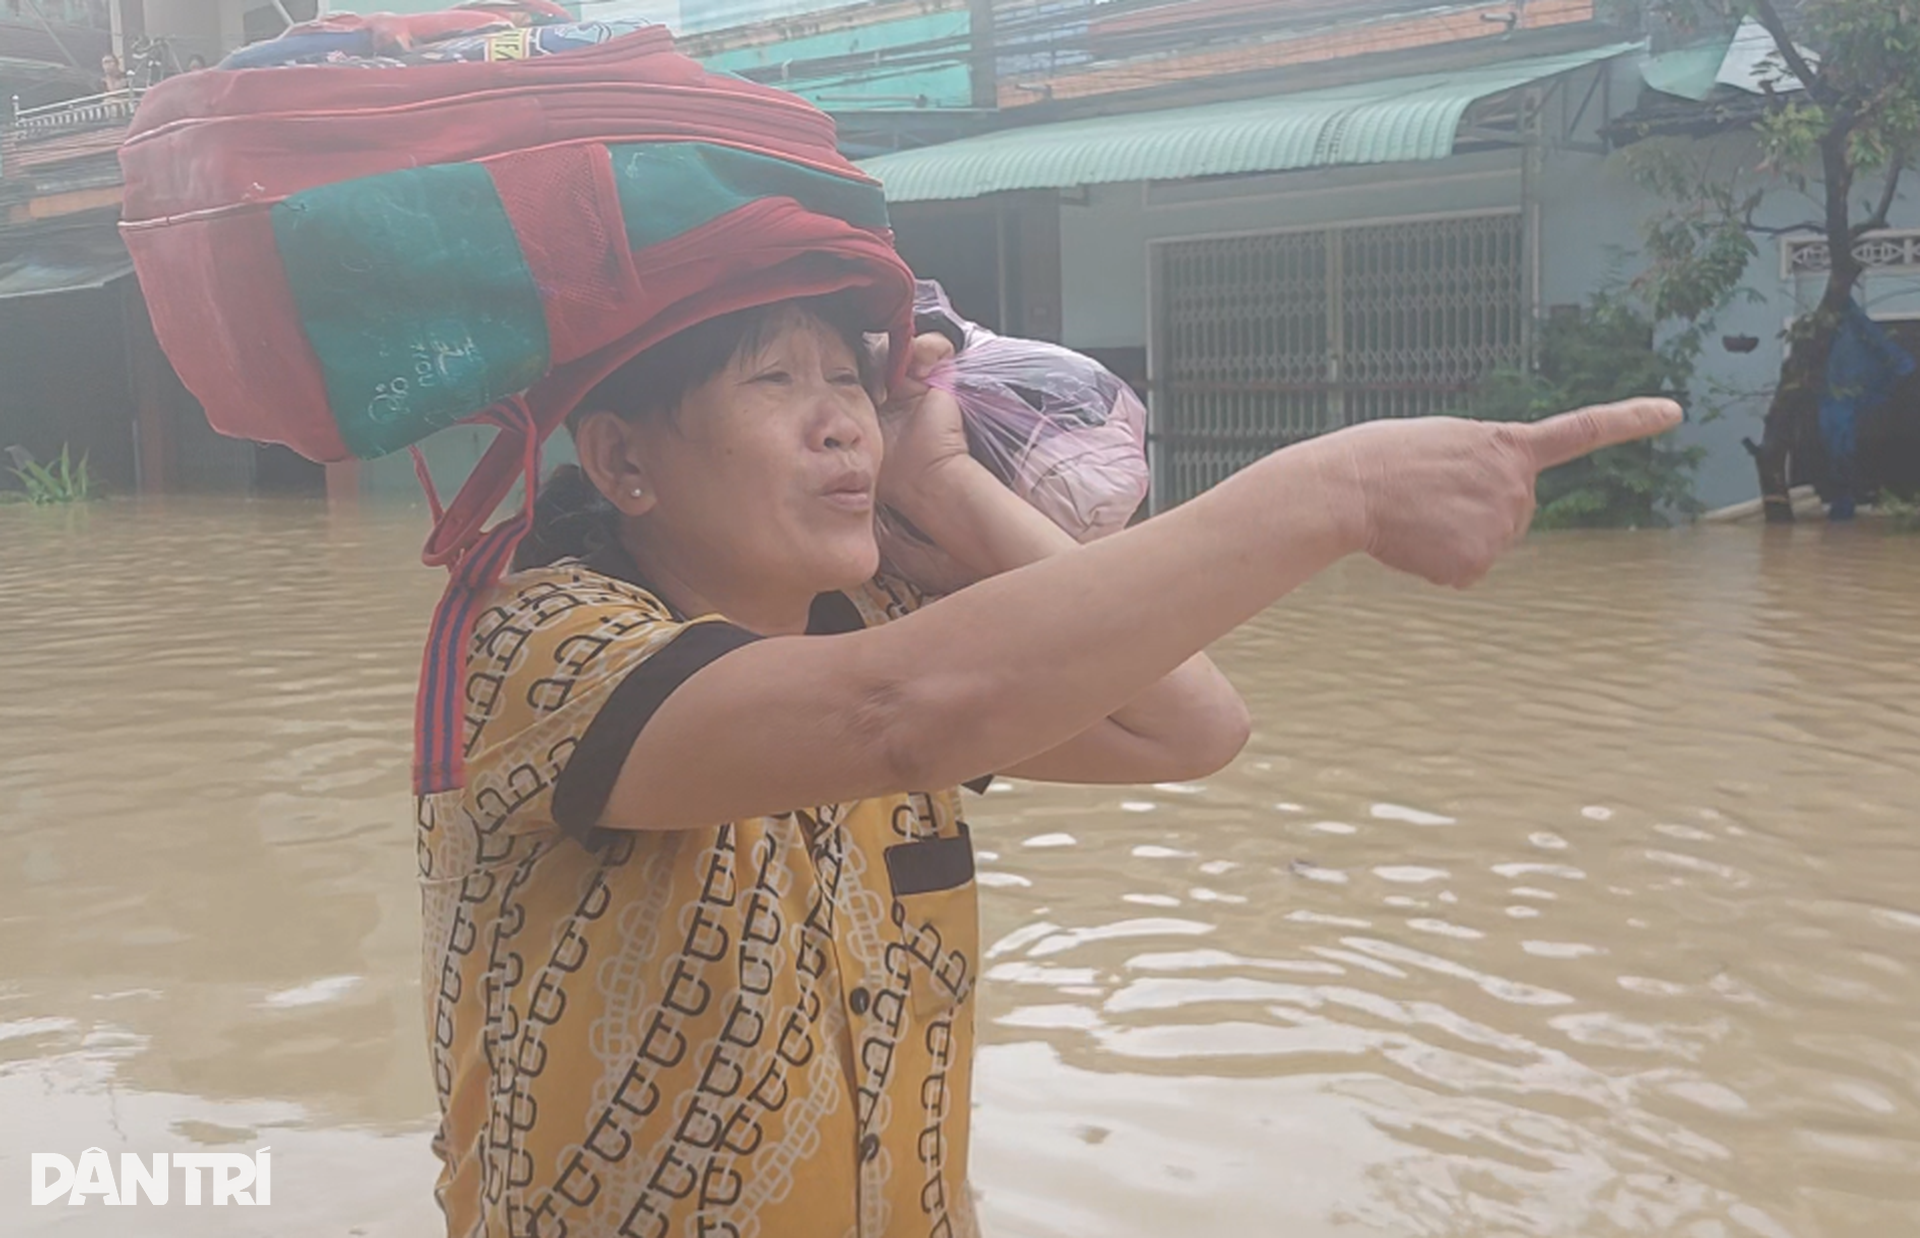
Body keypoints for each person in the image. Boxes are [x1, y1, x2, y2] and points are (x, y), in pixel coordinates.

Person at [418, 291, 1679, 1238]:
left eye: (851, 383)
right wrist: (1334, 490)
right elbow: (899, 714)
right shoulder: (539, 649)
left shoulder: (875, 628)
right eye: (774, 381)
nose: (841, 422)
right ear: (627, 459)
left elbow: (1187, 726)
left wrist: (954, 487)